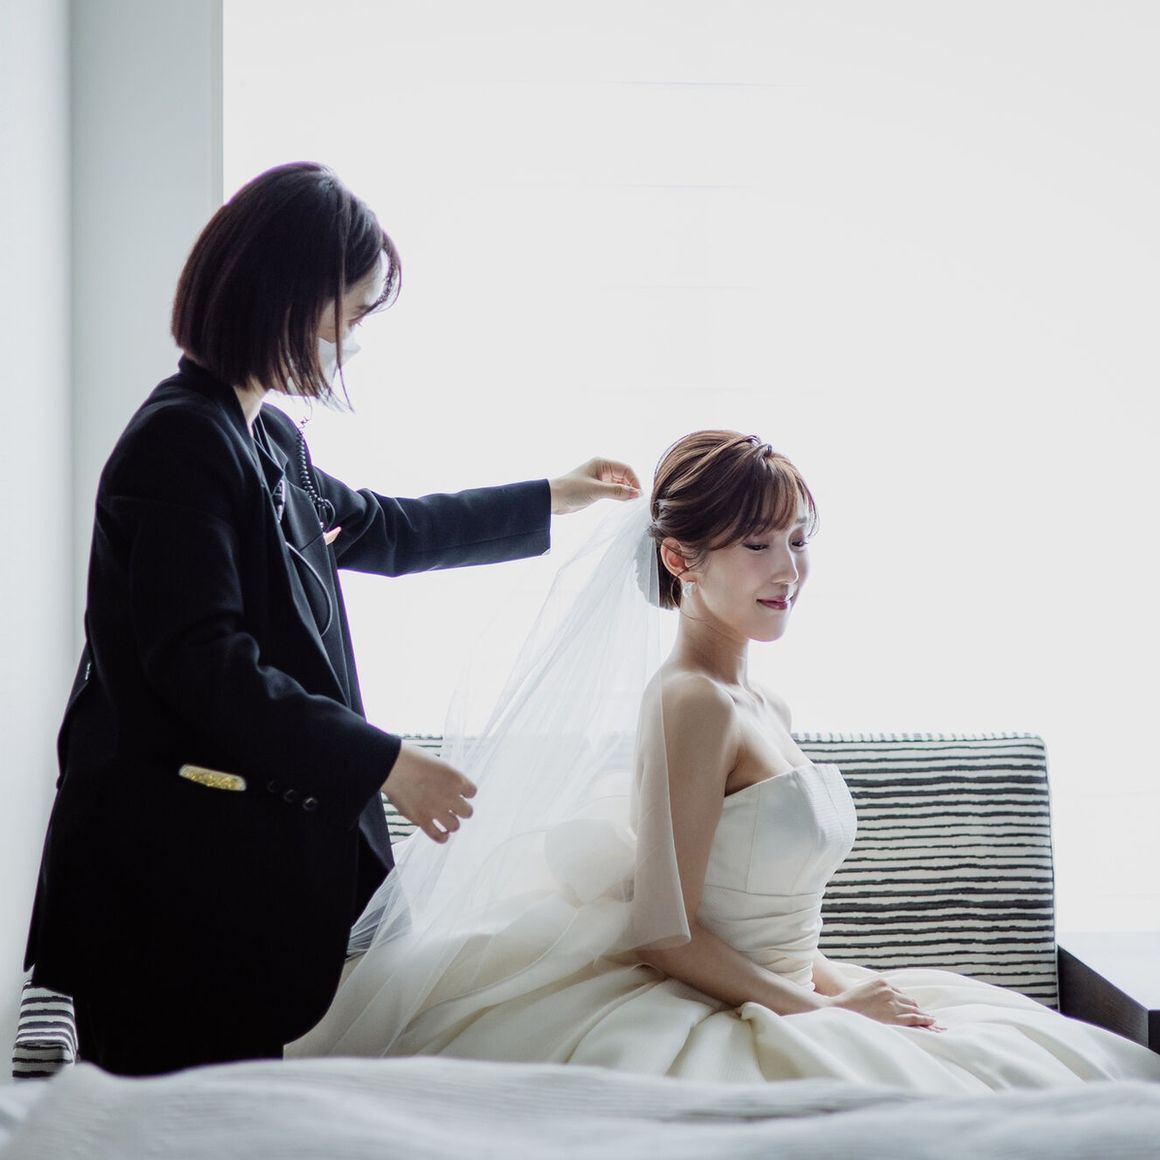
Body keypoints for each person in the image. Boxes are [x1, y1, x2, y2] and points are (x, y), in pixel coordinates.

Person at [289, 430, 1160, 1094]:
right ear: (681, 558)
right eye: (757, 544)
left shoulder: (765, 705)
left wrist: (851, 989)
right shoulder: (690, 702)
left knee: (1041, 1070)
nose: (789, 570)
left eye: (798, 539)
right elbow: (662, 933)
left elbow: (775, 923)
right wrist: (829, 1012)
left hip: (791, 984)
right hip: (730, 1005)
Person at [22, 161, 641, 1077]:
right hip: (164, 877)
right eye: (347, 314)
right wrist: (384, 763)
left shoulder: (264, 435)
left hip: (224, 881)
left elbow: (383, 526)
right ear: (285, 298)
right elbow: (202, 665)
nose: (349, 340)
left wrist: (553, 495)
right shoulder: (179, 443)